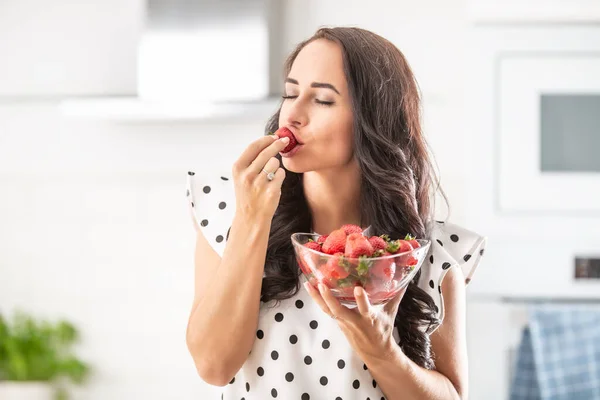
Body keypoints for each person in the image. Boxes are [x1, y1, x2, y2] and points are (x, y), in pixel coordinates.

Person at [185, 27, 486, 400]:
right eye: (291, 93)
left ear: (372, 122)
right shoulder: (227, 212)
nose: (292, 114)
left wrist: (382, 351)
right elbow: (213, 366)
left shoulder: (431, 256)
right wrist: (251, 220)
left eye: (322, 100)